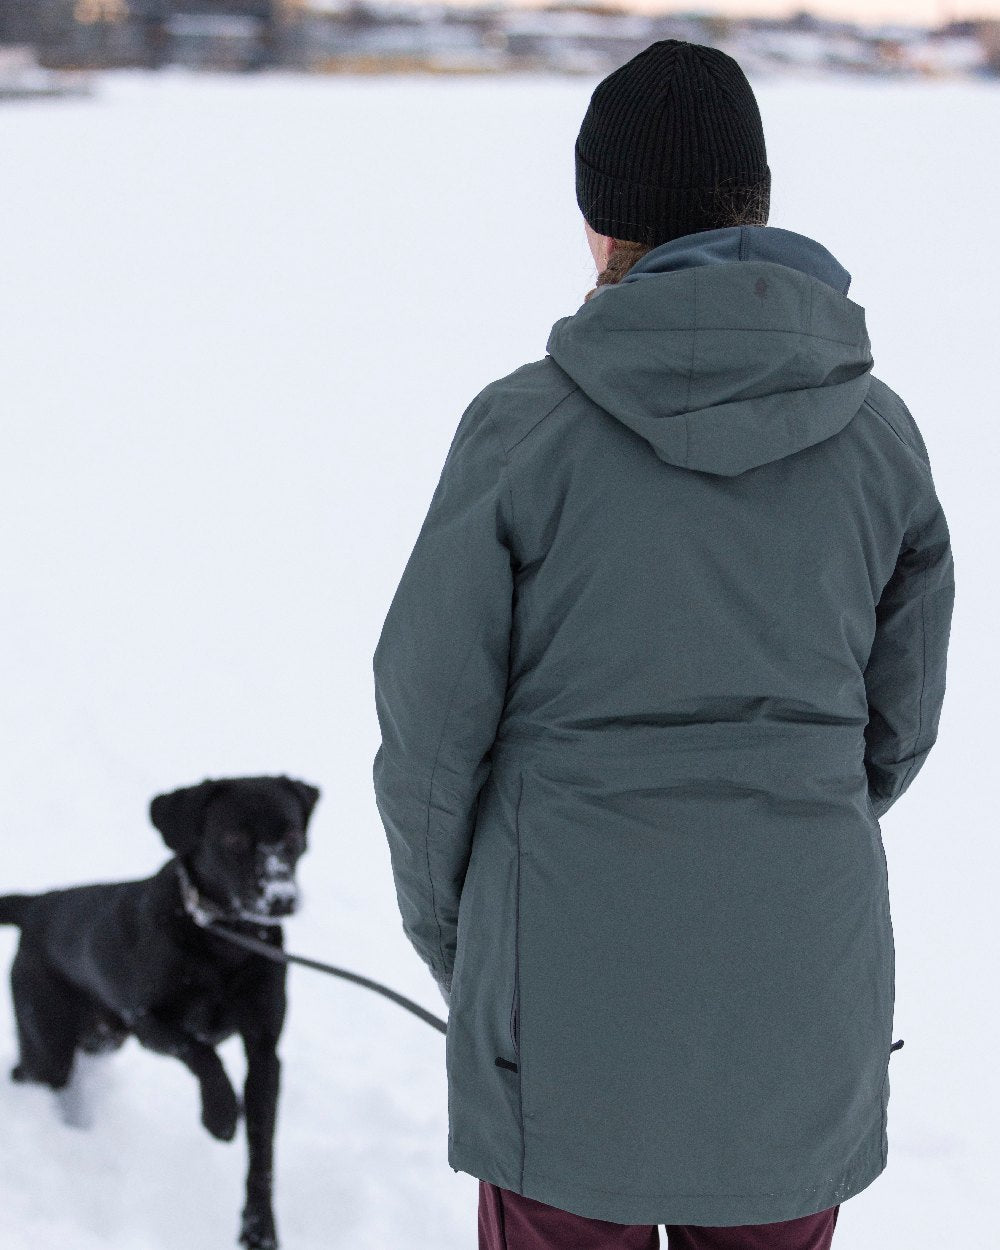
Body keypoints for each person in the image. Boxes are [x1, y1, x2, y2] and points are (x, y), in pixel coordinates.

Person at [371, 39, 955, 1250]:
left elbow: (429, 733)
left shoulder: (523, 427)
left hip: (563, 986)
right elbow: (894, 728)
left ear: (599, 219)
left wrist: (469, 947)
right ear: (758, 199)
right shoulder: (879, 431)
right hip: (802, 975)